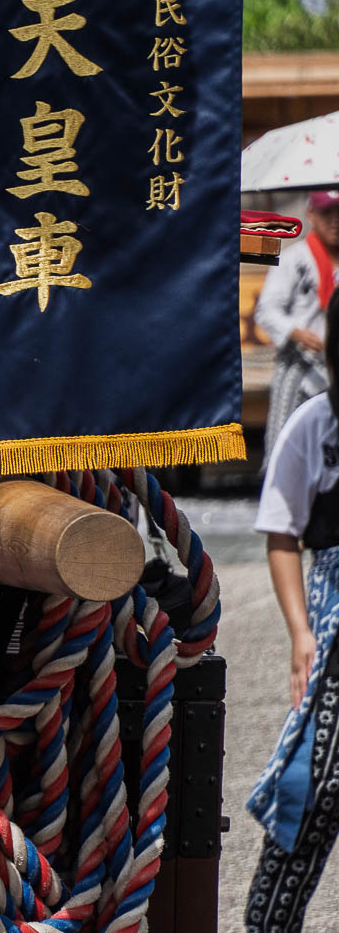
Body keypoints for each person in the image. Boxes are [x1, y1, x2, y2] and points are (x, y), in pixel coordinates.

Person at [248, 291, 339, 932]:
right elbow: (283, 531)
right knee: (311, 785)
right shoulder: (316, 423)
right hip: (334, 618)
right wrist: (300, 632)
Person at [257, 190, 339, 452]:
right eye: (327, 213)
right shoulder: (294, 258)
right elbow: (267, 310)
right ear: (311, 214)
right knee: (285, 442)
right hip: (300, 365)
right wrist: (296, 332)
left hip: (335, 367)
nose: (335, 220)